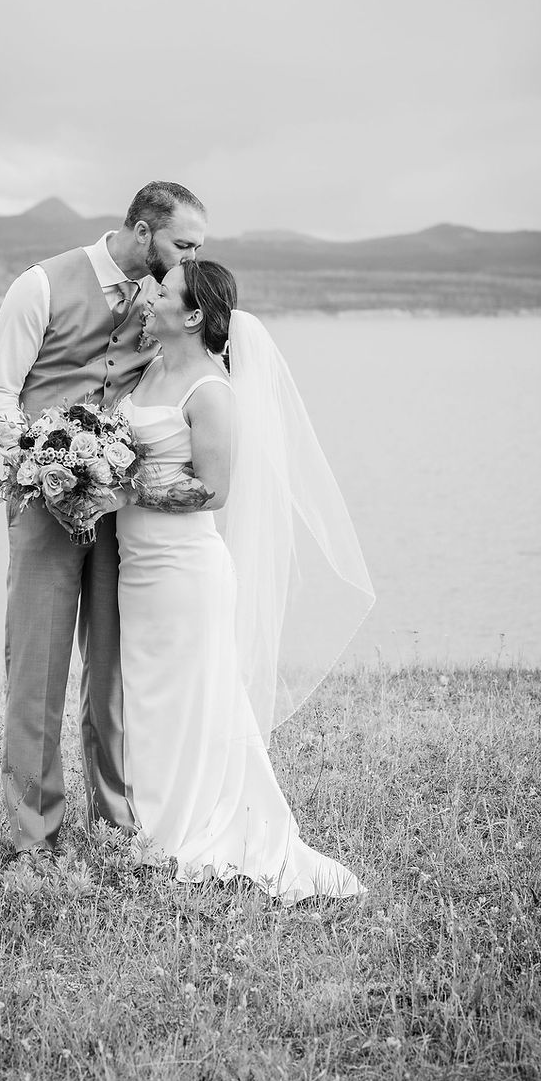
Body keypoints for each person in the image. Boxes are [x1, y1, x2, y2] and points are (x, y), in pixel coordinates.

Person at [115, 260, 375, 903]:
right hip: (137, 567)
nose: (150, 295)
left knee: (194, 699)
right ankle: (153, 823)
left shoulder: (211, 390)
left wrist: (123, 491)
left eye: (163, 291)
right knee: (150, 699)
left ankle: (194, 830)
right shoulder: (151, 368)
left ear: (193, 315)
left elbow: (213, 490)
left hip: (184, 572)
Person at [0, 182, 207, 857]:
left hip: (121, 512)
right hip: (43, 507)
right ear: (143, 231)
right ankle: (34, 836)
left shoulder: (165, 304)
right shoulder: (40, 286)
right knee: (38, 672)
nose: (190, 259)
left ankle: (116, 823)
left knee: (113, 674)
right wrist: (40, 461)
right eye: (183, 244)